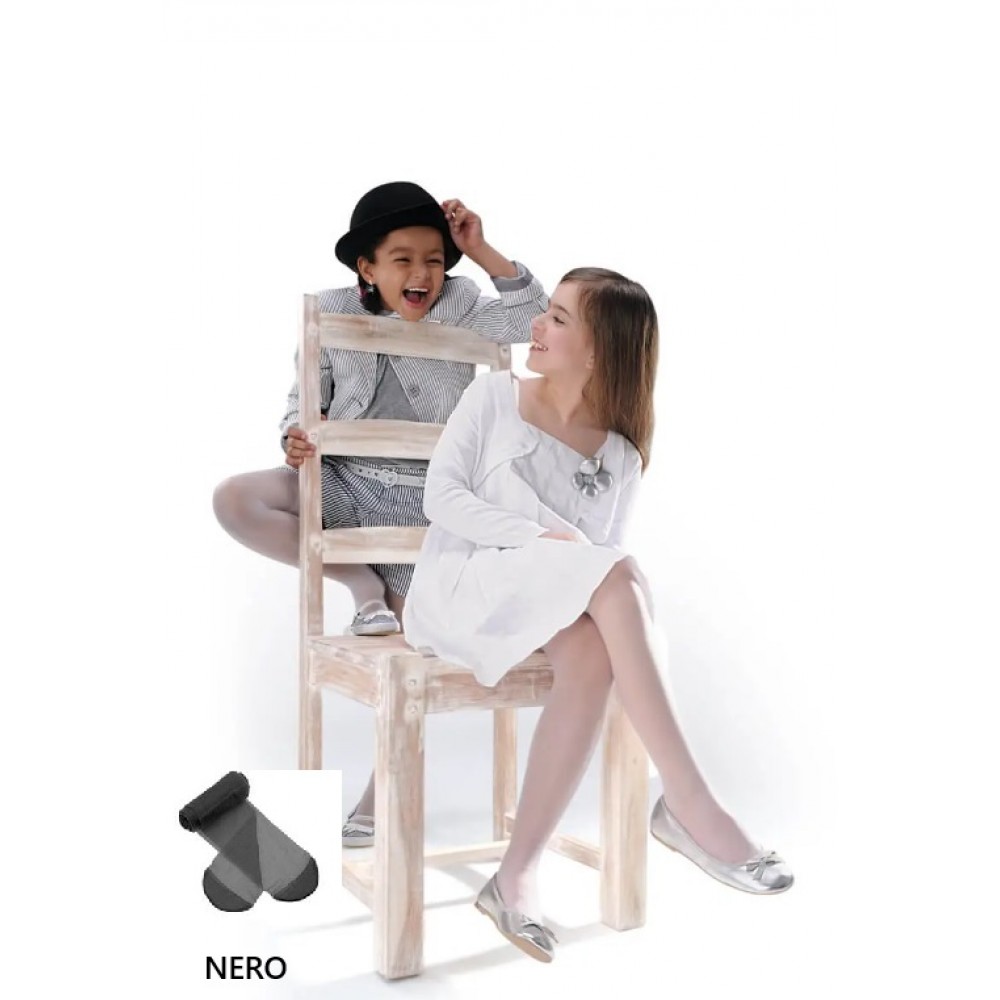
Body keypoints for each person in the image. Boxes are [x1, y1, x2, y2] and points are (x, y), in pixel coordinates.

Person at [403, 267, 794, 963]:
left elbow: (592, 568)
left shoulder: (619, 452)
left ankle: (515, 874)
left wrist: (565, 556)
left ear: (598, 350)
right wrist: (541, 537)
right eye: (546, 312)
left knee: (592, 648)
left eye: (558, 318)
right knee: (619, 573)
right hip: (463, 587)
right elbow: (443, 498)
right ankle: (689, 803)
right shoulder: (493, 397)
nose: (536, 324)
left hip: (542, 602)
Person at [212, 181, 549, 847]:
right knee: (235, 498)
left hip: (430, 505)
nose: (422, 274)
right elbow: (302, 400)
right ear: (366, 268)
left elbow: (533, 320)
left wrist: (481, 249)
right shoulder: (329, 311)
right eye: (403, 260)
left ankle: (378, 797)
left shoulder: (461, 304)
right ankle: (360, 582)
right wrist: (294, 437)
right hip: (344, 482)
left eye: (433, 260)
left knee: (409, 656)